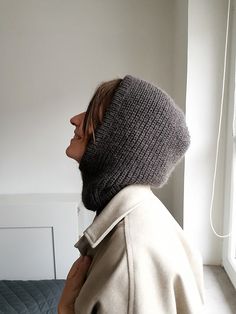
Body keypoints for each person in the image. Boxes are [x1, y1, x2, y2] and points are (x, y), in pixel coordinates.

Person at [58, 75, 205, 314]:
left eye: (92, 115)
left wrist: (65, 308)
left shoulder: (129, 264)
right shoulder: (141, 212)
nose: (74, 120)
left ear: (122, 140)